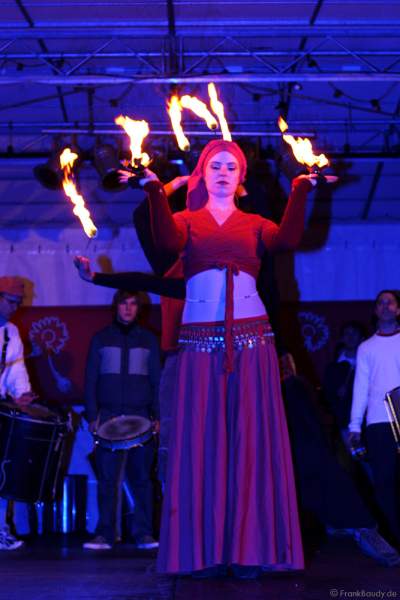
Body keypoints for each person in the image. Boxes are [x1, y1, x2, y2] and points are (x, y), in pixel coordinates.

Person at [133, 138, 338, 578]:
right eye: (215, 165)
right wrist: (153, 188)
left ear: (241, 177)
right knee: (201, 446)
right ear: (203, 175)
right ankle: (202, 552)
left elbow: (289, 239)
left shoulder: (256, 223)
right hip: (199, 344)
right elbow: (166, 242)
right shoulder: (186, 220)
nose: (224, 171)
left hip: (252, 343)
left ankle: (251, 550)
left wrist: (302, 186)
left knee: (251, 444)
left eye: (232, 166)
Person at [82, 290, 161, 551]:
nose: (128, 309)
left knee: (142, 479)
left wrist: (157, 415)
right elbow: (91, 380)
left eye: (133, 304)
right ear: (115, 307)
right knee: (107, 479)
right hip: (108, 418)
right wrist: (93, 415)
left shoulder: (149, 340)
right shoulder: (100, 339)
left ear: (138, 309)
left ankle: (144, 534)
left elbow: (157, 382)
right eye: (123, 304)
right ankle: (105, 534)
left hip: (141, 418)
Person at [348, 289, 400, 548]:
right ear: (376, 310)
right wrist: (355, 426)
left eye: (390, 302)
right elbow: (360, 388)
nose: (385, 306)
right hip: (379, 423)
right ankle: (393, 536)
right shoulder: (366, 347)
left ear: (398, 309)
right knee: (384, 481)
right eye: (380, 303)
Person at [0, 276, 36, 550]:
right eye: (11, 301)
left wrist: (23, 394)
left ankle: (1, 530)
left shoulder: (11, 332)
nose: (15, 307)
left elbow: (17, 371)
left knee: (2, 472)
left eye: (17, 303)